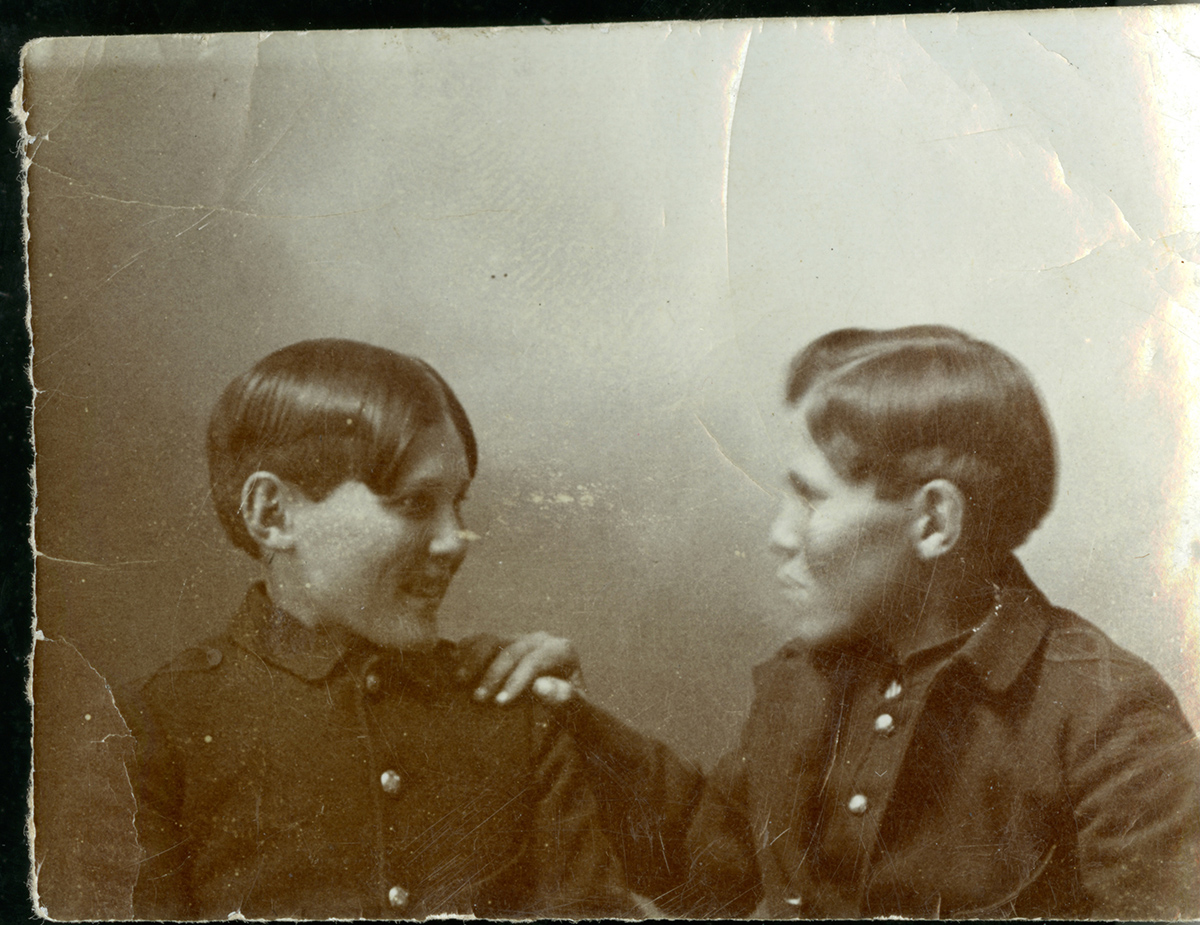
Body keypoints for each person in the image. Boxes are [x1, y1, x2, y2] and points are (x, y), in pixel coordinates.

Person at [482, 325, 1200, 918]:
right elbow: (718, 869)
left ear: (933, 519)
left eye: (810, 499)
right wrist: (570, 722)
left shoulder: (1110, 718)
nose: (780, 535)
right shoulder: (808, 678)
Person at [119, 339, 637, 920]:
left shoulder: (508, 708)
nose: (453, 542)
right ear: (272, 513)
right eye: (414, 503)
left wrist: (581, 725)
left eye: (457, 503)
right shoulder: (156, 728)